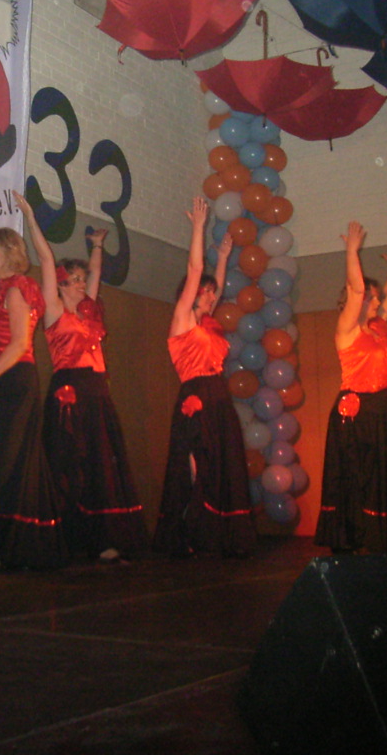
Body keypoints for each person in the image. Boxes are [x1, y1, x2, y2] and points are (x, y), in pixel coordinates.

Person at [18, 193, 148, 563]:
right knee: (71, 463)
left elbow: (96, 274)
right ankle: (72, 537)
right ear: (60, 285)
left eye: (80, 279)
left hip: (96, 391)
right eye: (73, 279)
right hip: (70, 391)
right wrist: (31, 217)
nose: (80, 283)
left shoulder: (88, 311)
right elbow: (45, 259)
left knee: (100, 465)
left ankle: (103, 537)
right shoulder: (54, 311)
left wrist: (97, 246)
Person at [314, 221, 387, 554]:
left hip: (379, 407)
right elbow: (355, 290)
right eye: (373, 297)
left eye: (376, 297)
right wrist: (352, 251)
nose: (378, 301)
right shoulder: (348, 329)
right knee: (356, 474)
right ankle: (353, 537)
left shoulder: (380, 328)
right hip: (355, 411)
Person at [152, 197, 256, 558]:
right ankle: (191, 531)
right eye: (205, 291)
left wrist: (224, 258)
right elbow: (195, 268)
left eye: (213, 292)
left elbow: (217, 285)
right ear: (191, 292)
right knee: (197, 463)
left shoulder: (209, 325)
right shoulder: (182, 319)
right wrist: (198, 227)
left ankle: (216, 532)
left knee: (221, 463)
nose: (211, 295)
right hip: (195, 395)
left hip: (217, 396)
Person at [0, 226, 66, 569]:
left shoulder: (15, 288)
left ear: (11, 252)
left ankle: (10, 546)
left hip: (10, 380)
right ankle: (9, 546)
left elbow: (18, 344)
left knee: (7, 462)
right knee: (4, 461)